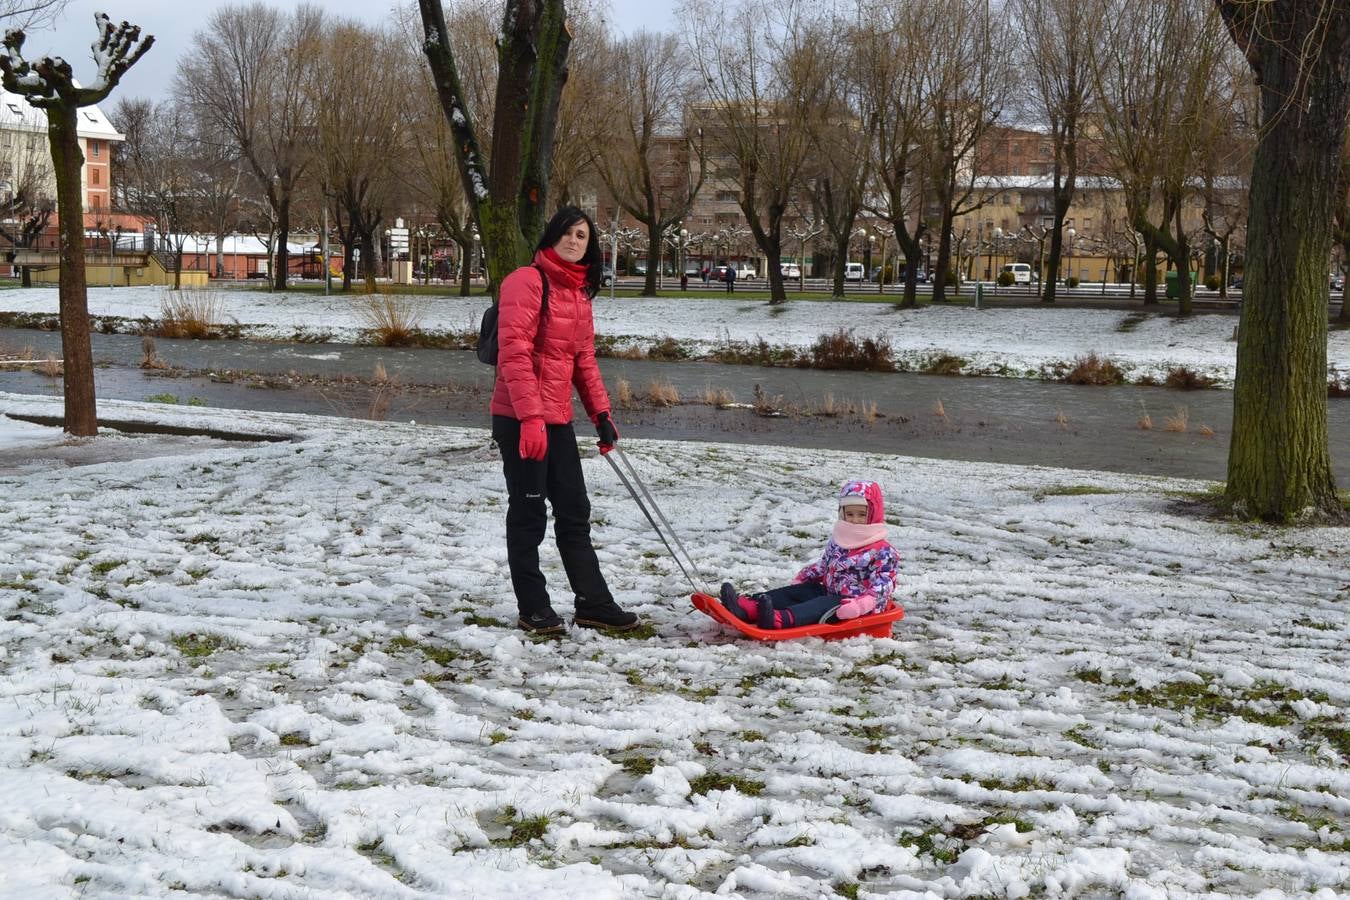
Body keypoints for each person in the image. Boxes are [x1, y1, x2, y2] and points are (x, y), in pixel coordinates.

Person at [491, 206, 640, 635]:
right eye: (568, 233)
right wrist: (530, 418)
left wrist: (602, 415)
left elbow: (583, 361)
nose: (575, 241)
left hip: (555, 419)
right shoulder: (526, 281)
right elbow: (514, 354)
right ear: (551, 236)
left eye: (583, 235)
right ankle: (533, 608)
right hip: (520, 417)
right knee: (529, 513)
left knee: (574, 510)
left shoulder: (577, 295)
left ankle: (593, 603)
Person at [718, 480, 899, 629]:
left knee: (820, 605)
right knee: (804, 591)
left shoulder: (882, 550)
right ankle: (751, 608)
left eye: (861, 514)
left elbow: (885, 583)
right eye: (849, 514)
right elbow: (824, 566)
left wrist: (861, 604)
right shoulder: (839, 540)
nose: (854, 519)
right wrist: (805, 577)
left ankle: (779, 619)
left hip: (853, 605)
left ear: (873, 514)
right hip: (829, 591)